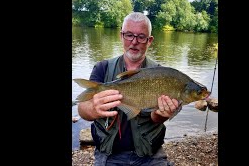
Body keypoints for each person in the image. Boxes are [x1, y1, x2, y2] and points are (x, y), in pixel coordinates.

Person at [77, 12, 179, 166]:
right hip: (110, 155)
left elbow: (155, 118)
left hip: (149, 154)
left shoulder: (160, 73)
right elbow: (82, 109)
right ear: (121, 36)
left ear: (149, 40)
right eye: (129, 35)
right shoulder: (102, 68)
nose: (134, 42)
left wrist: (162, 115)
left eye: (141, 37)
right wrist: (92, 108)